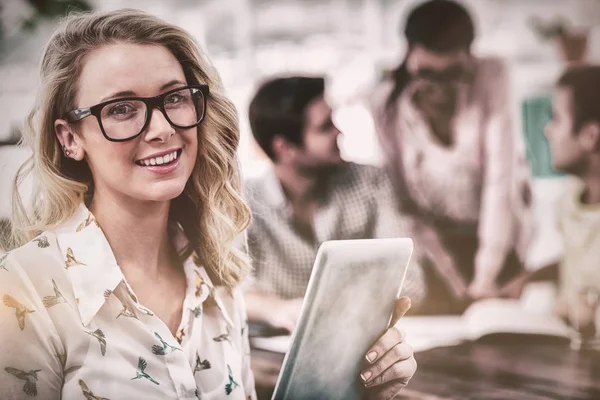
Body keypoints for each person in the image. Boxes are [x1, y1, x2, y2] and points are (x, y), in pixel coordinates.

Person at [0, 9, 416, 400]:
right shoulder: (22, 292)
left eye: (176, 98)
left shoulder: (218, 277)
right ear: (69, 138)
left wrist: (355, 389)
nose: (162, 129)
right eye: (122, 109)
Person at [371, 0, 532, 313]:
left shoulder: (492, 74)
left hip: (499, 241)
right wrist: (451, 275)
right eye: (427, 72)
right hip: (433, 249)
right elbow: (406, 205)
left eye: (452, 73)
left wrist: (485, 277)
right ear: (408, 53)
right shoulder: (385, 102)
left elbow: (500, 182)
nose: (438, 87)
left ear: (469, 56)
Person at [243, 76, 425, 332]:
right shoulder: (243, 204)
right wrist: (276, 309)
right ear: (284, 148)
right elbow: (225, 290)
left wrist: (341, 310)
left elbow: (411, 283)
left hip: (362, 337)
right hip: (274, 348)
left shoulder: (371, 184)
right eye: (325, 127)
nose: (339, 132)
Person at [539, 65, 600, 332]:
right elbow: (576, 260)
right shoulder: (571, 197)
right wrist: (524, 279)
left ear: (589, 136)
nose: (547, 131)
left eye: (557, 119)